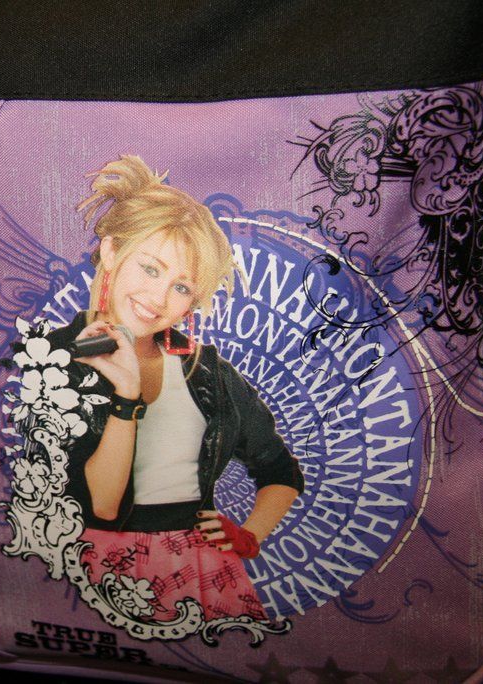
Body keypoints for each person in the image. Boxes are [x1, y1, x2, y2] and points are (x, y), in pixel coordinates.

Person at [47, 155, 304, 622]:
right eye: (150, 269)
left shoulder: (209, 372)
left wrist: (249, 535)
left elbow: (280, 471)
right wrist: (126, 397)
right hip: (96, 568)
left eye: (182, 287)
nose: (159, 299)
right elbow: (101, 508)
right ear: (111, 252)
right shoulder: (51, 359)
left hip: (203, 573)